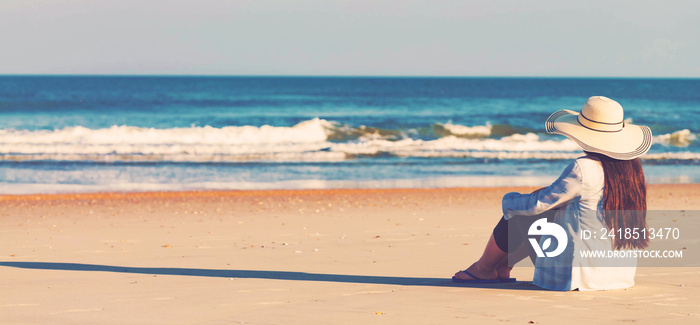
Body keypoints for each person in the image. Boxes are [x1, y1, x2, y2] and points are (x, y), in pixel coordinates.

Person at [453, 96, 653, 291]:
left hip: (578, 276)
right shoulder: (632, 170)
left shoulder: (584, 168)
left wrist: (508, 199)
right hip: (619, 276)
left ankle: (484, 268)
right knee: (543, 211)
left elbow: (537, 205)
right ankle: (501, 267)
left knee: (519, 212)